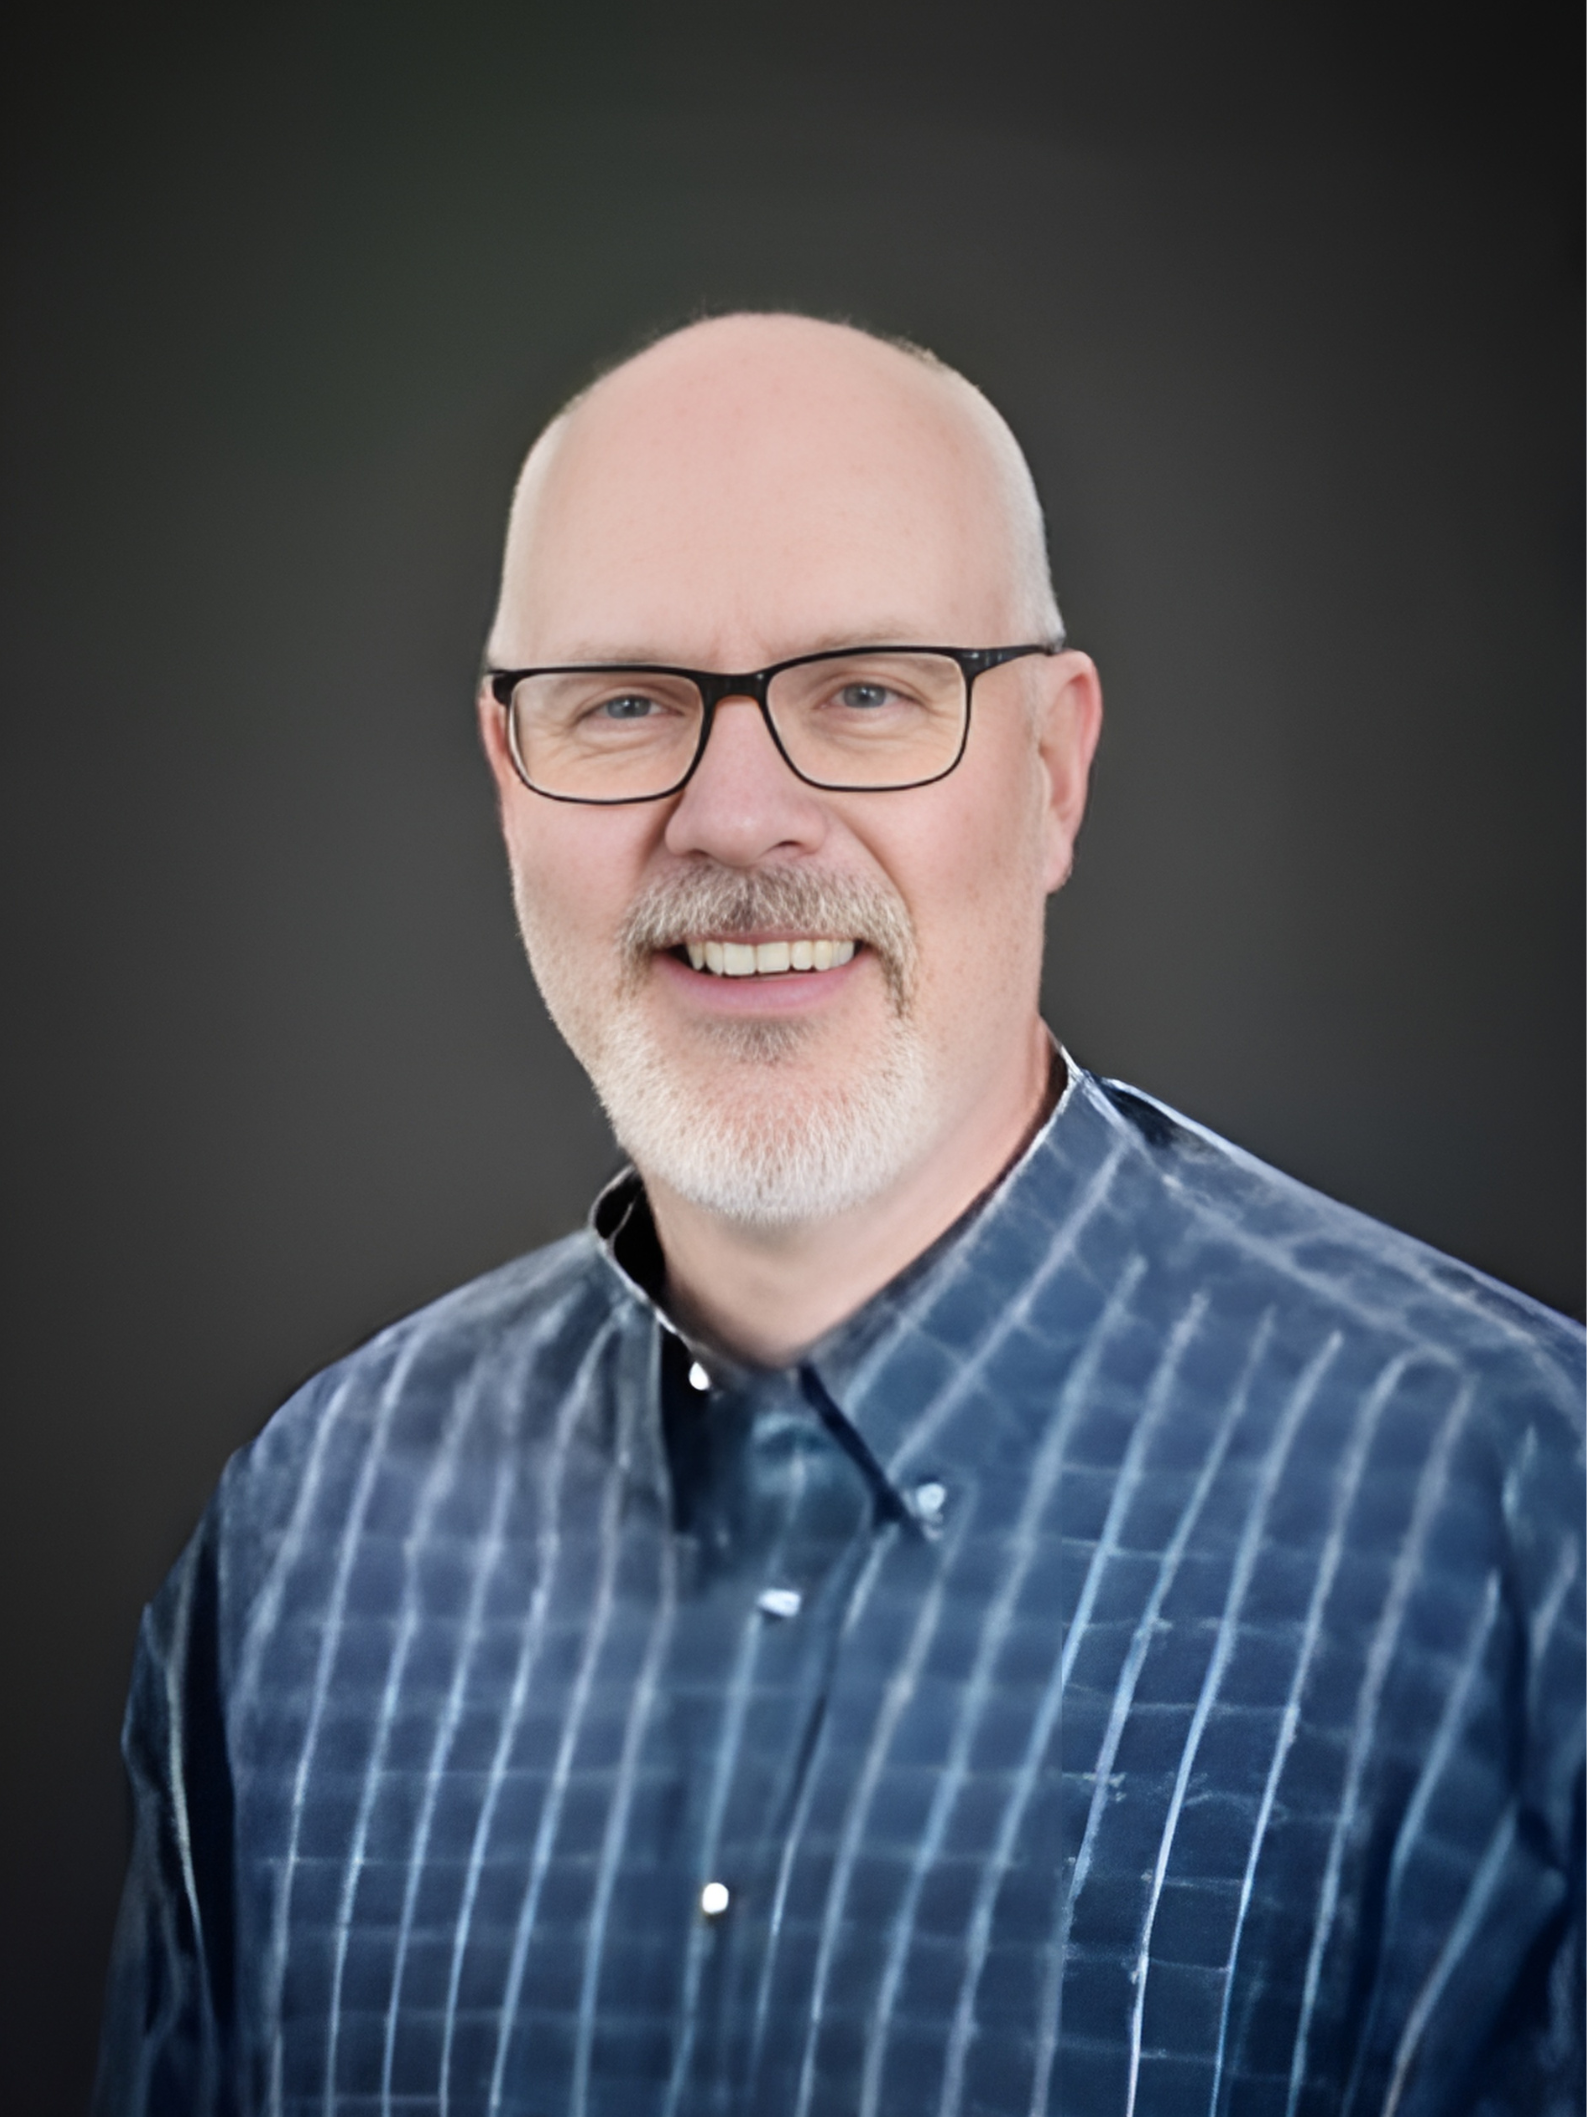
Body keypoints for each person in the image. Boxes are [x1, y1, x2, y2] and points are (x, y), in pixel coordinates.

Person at [96, 313, 1583, 2117]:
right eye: (626, 700)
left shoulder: (1509, 1523)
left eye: (868, 691)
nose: (738, 814)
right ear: (507, 779)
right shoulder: (306, 1546)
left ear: (1051, 771)